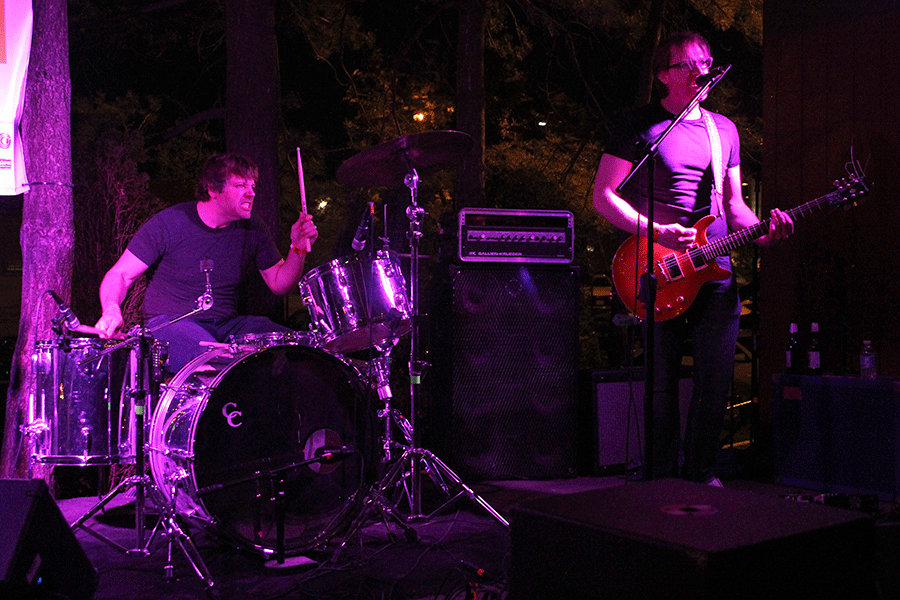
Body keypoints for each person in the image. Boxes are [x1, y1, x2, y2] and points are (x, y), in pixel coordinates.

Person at [592, 32, 794, 484]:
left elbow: (735, 205)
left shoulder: (723, 130)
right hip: (657, 266)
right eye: (688, 64)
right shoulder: (638, 126)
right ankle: (660, 478)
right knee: (660, 383)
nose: (702, 69)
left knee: (715, 381)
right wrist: (658, 230)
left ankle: (701, 473)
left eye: (706, 61)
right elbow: (604, 197)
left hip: (715, 267)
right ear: (664, 75)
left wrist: (764, 234)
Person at [95, 152, 318, 374]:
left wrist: (297, 248)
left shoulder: (252, 228)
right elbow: (121, 275)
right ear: (212, 189)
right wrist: (112, 310)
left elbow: (280, 284)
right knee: (217, 359)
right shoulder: (169, 223)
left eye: (253, 186)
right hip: (170, 326)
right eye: (240, 185)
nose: (251, 193)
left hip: (226, 328)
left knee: (291, 348)